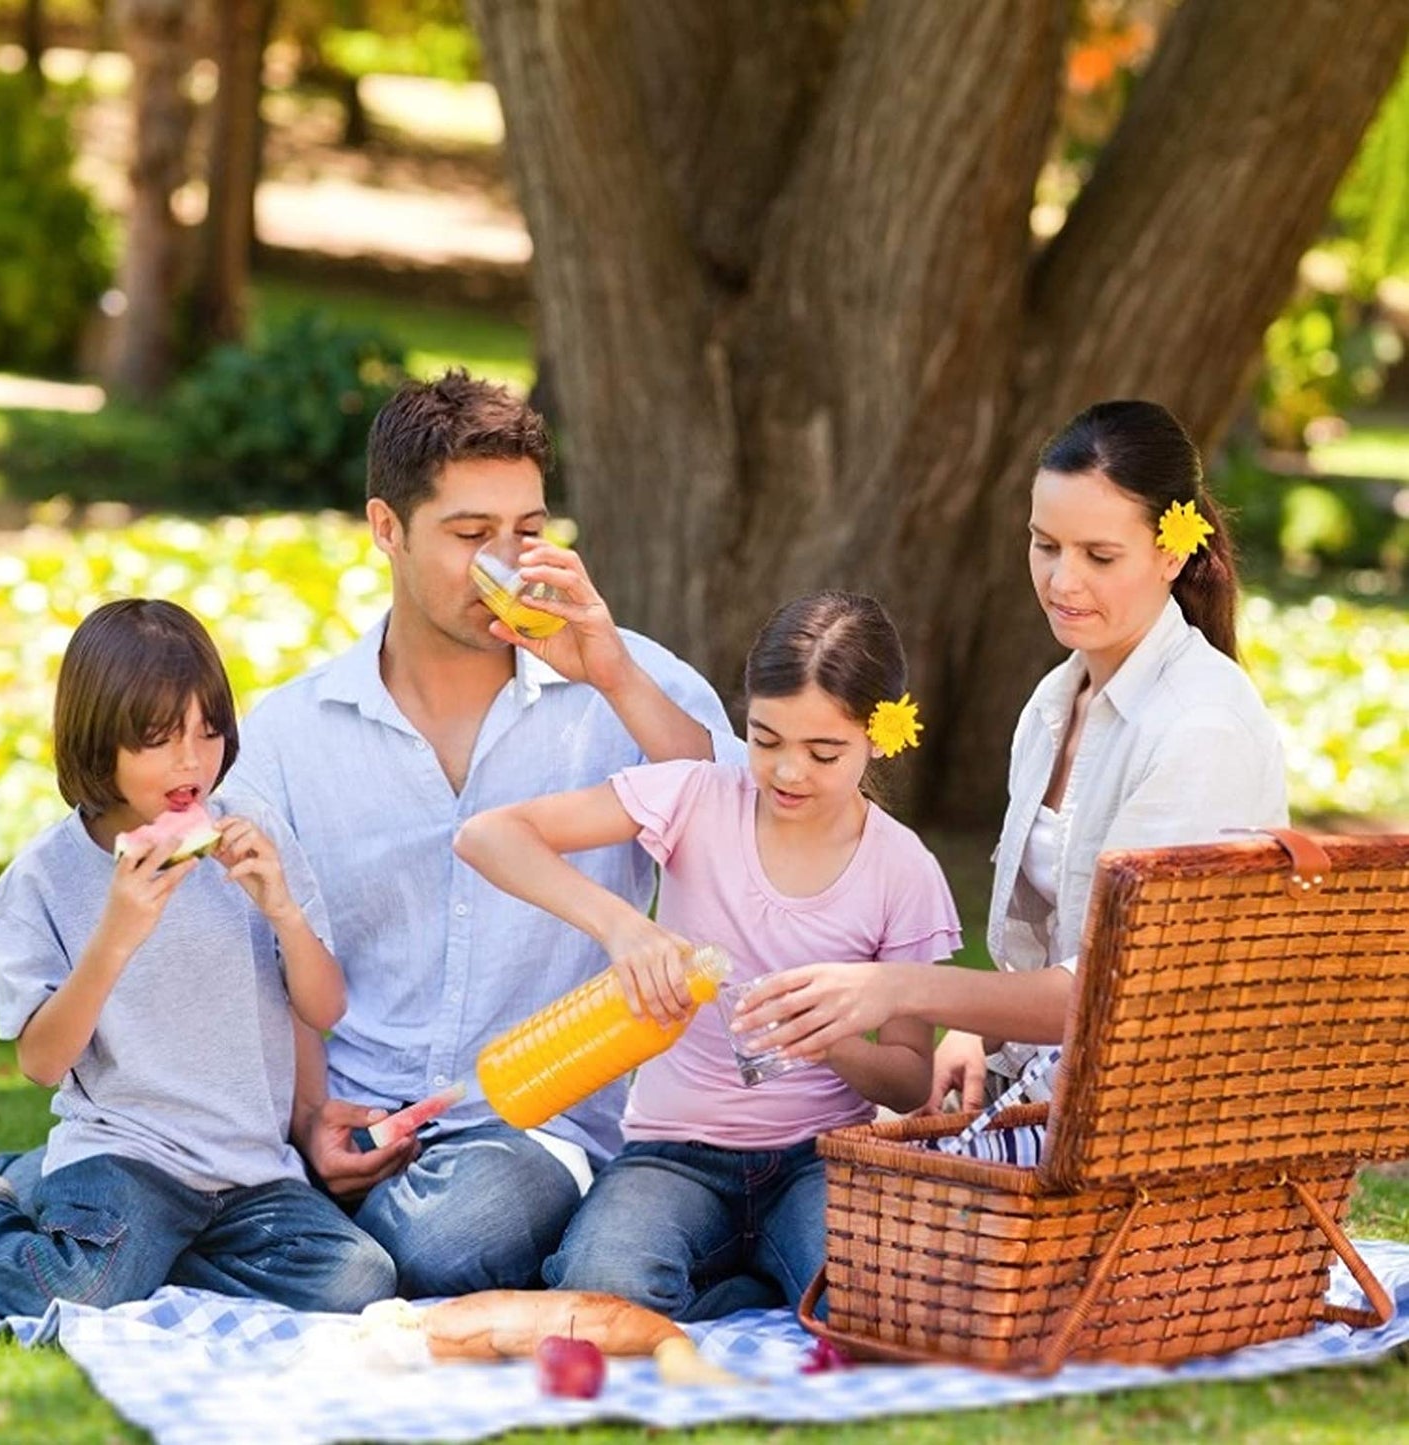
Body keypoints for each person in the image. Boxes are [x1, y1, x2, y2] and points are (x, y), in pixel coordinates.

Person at [228, 370, 741, 1298]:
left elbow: (753, 826)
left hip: (538, 1122)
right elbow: (262, 950)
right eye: (471, 536)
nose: (508, 566)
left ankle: (326, 1249)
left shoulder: (628, 684)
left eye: (530, 532)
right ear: (386, 526)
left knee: (449, 1241)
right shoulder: (289, 733)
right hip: (358, 1108)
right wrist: (308, 1117)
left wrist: (613, 675)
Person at [732, 399, 1289, 1124]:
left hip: (1156, 1118)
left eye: (1099, 555)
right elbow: (1047, 955)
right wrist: (974, 1027)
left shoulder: (1200, 727)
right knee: (809, 1144)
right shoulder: (1054, 703)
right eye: (1045, 544)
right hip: (1055, 1079)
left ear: (1172, 551)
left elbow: (1112, 988)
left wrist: (895, 988)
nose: (1062, 581)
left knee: (847, 1180)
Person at [453, 590, 961, 1319]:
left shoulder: (901, 869)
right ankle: (750, 1287)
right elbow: (486, 835)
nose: (788, 772)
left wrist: (835, 1040)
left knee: (880, 1301)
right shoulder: (697, 797)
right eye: (765, 739)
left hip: (819, 1159)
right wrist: (623, 927)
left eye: (823, 752)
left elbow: (912, 1081)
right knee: (605, 1287)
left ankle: (740, 1285)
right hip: (673, 1153)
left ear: (879, 737)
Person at [0, 600, 396, 1318]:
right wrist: (116, 935)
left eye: (209, 729)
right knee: (78, 1290)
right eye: (159, 739)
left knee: (355, 1279)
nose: (193, 760)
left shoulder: (253, 829)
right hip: (128, 1156)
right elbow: (43, 1061)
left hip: (251, 1170)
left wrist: (281, 907)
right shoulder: (41, 879)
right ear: (98, 743)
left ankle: (115, 1239)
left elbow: (324, 1008)